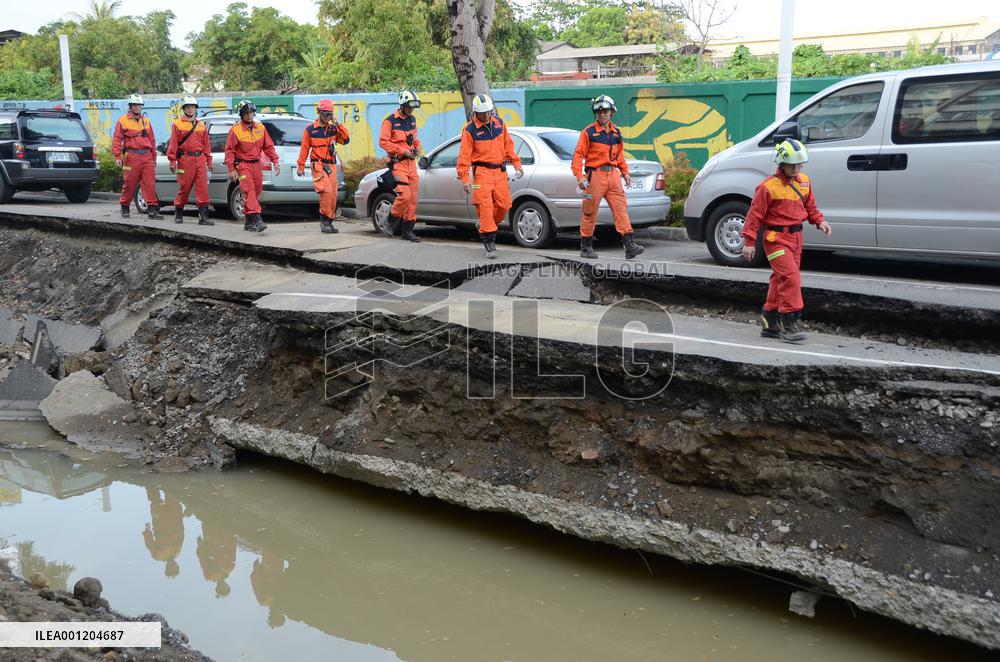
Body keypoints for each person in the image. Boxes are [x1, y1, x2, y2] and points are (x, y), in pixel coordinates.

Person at [741, 139, 832, 342]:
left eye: (800, 164)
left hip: (796, 238)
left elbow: (810, 207)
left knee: (780, 278)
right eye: (793, 165)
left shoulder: (804, 182)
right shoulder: (767, 187)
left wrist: (820, 221)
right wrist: (749, 242)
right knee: (791, 278)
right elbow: (754, 216)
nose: (797, 168)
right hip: (776, 239)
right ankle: (789, 322)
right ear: (782, 163)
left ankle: (770, 321)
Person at [571, 94, 643, 260]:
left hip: (613, 177)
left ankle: (629, 246)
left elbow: (619, 157)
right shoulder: (588, 132)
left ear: (612, 112)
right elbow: (577, 156)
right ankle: (586, 248)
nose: (602, 114)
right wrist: (580, 176)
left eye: (605, 111)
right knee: (589, 212)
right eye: (599, 111)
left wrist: (625, 173)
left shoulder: (616, 133)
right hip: (594, 177)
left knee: (621, 210)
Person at [457, 93, 523, 259]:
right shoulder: (469, 130)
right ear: (475, 113)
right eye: (483, 113)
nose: (487, 115)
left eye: (489, 111)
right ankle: (489, 241)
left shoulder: (499, 124)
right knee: (485, 207)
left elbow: (508, 146)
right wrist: (465, 179)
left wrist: (516, 163)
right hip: (481, 176)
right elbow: (464, 158)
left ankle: (487, 225)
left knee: (504, 205)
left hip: (500, 173)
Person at [225, 99, 280, 232]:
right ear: (241, 114)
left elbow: (269, 146)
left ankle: (248, 222)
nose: (249, 115)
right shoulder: (235, 130)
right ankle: (258, 220)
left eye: (251, 112)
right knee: (249, 191)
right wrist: (232, 170)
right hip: (243, 165)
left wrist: (276, 161)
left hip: (257, 164)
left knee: (256, 193)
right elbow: (229, 151)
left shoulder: (260, 128)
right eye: (246, 113)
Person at [297, 99, 350, 234]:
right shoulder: (310, 130)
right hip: (318, 165)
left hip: (331, 165)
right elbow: (304, 149)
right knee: (326, 193)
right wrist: (300, 166)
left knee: (333, 194)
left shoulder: (333, 128)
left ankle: (329, 221)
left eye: (330, 114)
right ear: (319, 113)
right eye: (325, 114)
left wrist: (339, 124)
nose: (328, 117)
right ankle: (324, 222)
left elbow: (345, 140)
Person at [378, 90, 423, 242]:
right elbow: (383, 142)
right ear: (402, 105)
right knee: (405, 194)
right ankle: (390, 220)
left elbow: (415, 138)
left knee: (413, 199)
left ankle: (407, 231)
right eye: (409, 107)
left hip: (411, 164)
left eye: (413, 107)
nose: (411, 110)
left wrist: (417, 147)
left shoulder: (412, 120)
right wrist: (403, 151)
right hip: (398, 164)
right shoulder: (389, 121)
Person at [112, 94, 162, 220]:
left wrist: (153, 158)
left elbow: (152, 140)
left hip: (146, 156)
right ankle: (125, 206)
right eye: (135, 105)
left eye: (139, 105)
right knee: (129, 183)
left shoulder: (146, 121)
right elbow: (117, 139)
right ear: (130, 106)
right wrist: (118, 156)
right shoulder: (123, 121)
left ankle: (152, 209)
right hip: (131, 157)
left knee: (149, 183)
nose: (137, 107)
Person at [166, 96, 213, 226]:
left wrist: (209, 161)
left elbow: (207, 145)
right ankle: (179, 211)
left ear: (196, 109)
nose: (190, 109)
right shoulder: (178, 124)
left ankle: (203, 217)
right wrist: (172, 161)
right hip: (185, 160)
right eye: (188, 107)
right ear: (184, 109)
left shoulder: (201, 125)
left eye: (192, 107)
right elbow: (173, 144)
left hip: (200, 159)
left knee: (202, 189)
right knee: (184, 187)